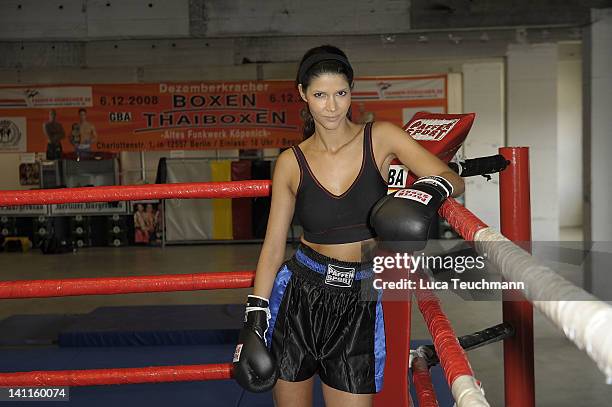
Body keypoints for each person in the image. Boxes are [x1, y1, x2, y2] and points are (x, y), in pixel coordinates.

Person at [232, 45, 464, 407]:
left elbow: (450, 176)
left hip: (358, 298)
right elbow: (274, 246)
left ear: (351, 92)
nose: (331, 106)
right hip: (298, 297)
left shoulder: (381, 137)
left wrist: (428, 191)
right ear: (303, 95)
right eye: (320, 95)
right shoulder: (290, 163)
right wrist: (255, 318)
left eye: (340, 93)